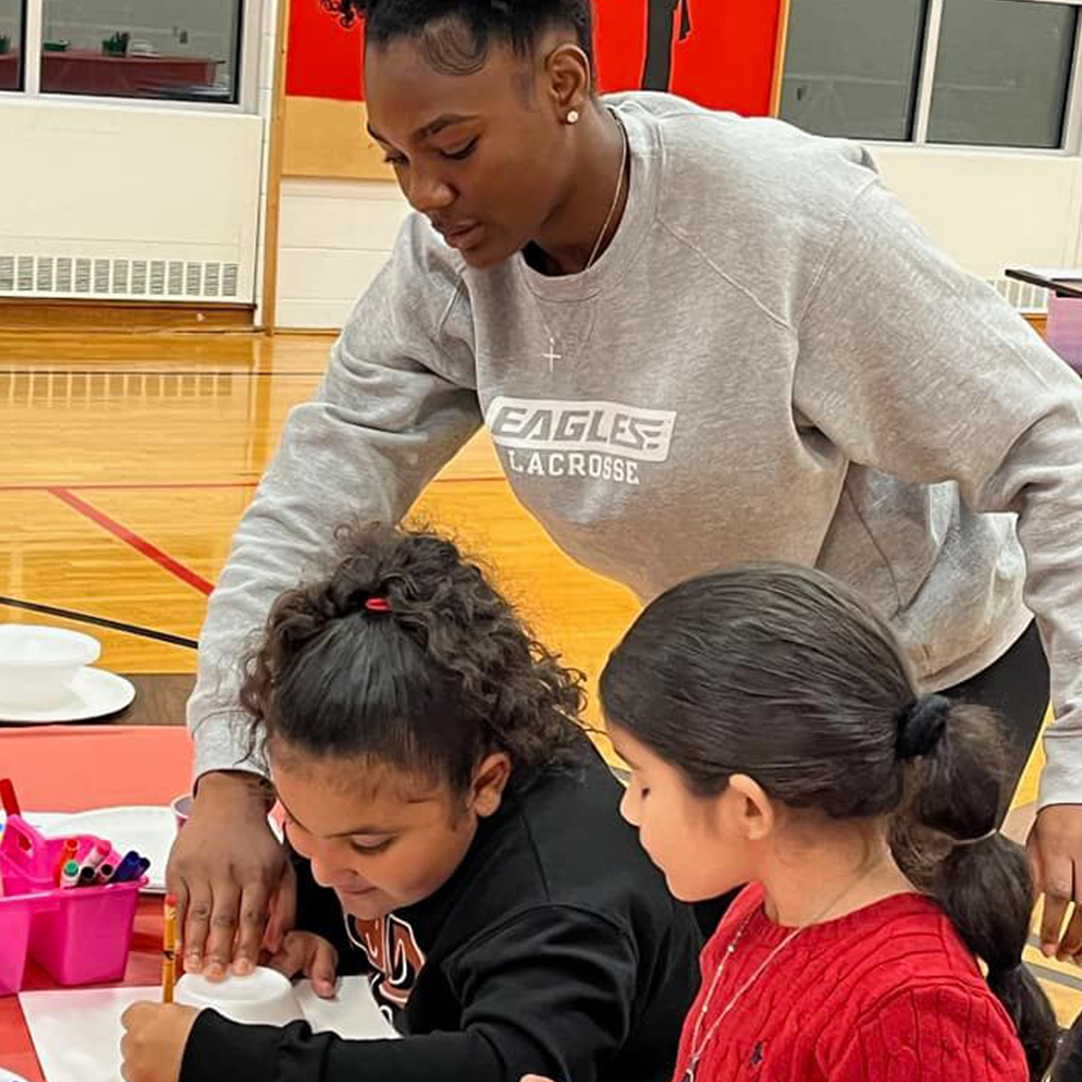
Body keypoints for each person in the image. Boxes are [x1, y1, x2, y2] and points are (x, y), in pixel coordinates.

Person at [170, 0, 1082, 975]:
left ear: (563, 84)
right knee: (699, 998)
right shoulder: (446, 266)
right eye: (394, 156)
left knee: (855, 1000)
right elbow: (317, 489)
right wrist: (229, 763)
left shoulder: (789, 223)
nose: (424, 192)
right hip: (728, 679)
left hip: (914, 679)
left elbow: (1052, 441)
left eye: (453, 145)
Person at [123, 524, 701, 1082]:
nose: (322, 869)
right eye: (295, 823)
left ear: (484, 785)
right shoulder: (429, 763)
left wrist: (227, 1062)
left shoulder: (560, 911)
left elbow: (505, 1069)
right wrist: (326, 931)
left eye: (368, 843)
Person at [529, 563, 1058, 1082]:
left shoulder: (913, 1013)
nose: (629, 808)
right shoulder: (760, 908)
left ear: (749, 808)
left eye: (644, 782)